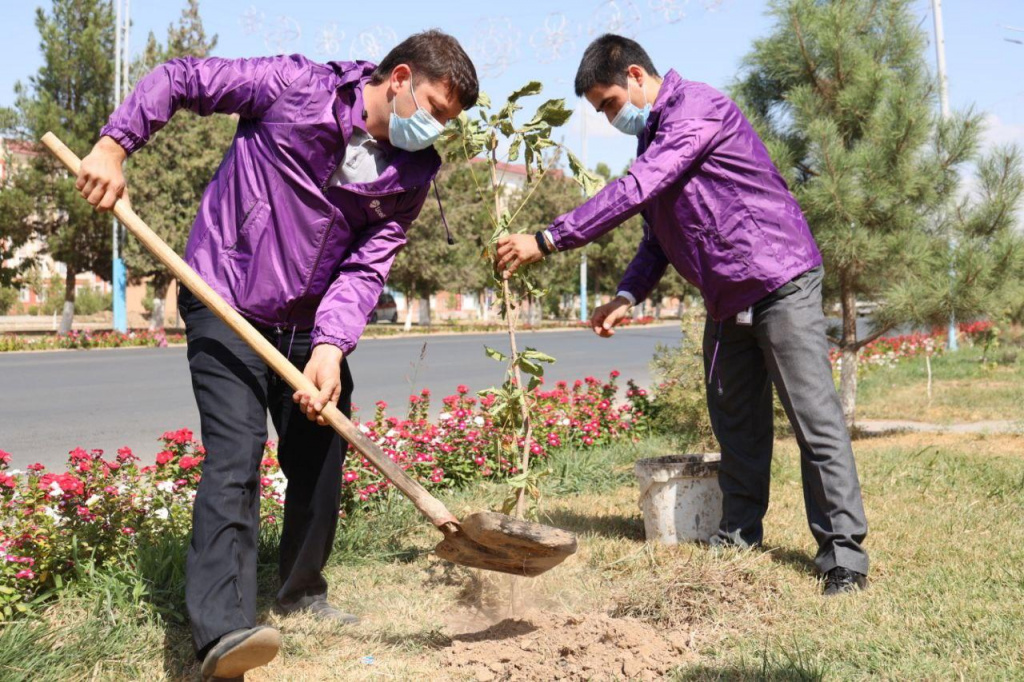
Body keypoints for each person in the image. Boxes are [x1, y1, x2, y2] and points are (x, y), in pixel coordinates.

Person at [75, 30, 477, 681]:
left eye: (447, 121)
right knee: (235, 454)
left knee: (321, 452)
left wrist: (330, 344)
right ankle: (223, 628)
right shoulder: (295, 87)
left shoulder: (412, 171)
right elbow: (180, 79)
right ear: (399, 77)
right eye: (434, 105)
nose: (434, 126)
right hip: (223, 294)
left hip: (310, 322)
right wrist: (114, 145)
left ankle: (301, 591)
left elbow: (368, 265)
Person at [496, 34, 869, 597]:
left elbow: (638, 188)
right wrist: (625, 296)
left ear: (638, 77)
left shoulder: (698, 109)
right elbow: (655, 239)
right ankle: (740, 534)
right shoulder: (653, 140)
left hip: (778, 279)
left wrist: (549, 238)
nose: (607, 119)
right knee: (737, 427)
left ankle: (842, 556)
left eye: (609, 105)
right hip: (725, 298)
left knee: (815, 424)